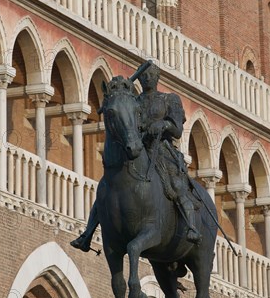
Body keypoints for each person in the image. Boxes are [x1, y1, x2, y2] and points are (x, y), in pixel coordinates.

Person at [70, 62, 202, 253]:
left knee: (176, 183)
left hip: (162, 149)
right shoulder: (134, 101)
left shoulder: (169, 99)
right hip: (140, 147)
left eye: (151, 75)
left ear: (157, 78)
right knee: (108, 185)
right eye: (144, 76)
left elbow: (177, 129)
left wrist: (163, 125)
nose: (147, 78)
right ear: (139, 79)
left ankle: (192, 227)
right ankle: (87, 234)